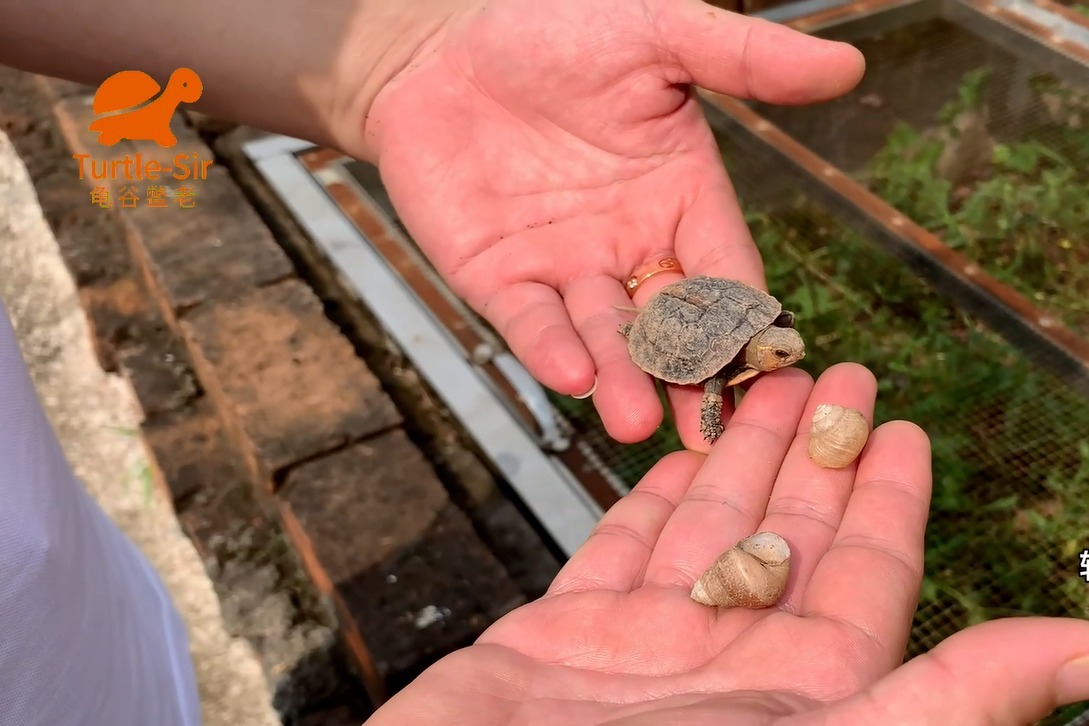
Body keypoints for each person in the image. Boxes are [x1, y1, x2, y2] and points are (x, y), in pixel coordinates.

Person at [0, 0, 1087, 724]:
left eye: (778, 344)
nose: (786, 352)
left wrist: (401, 48)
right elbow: (703, 376)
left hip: (76, 645)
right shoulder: (719, 356)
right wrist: (707, 399)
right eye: (778, 349)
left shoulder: (754, 323)